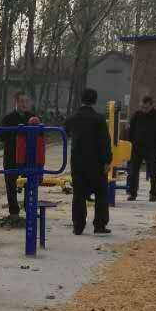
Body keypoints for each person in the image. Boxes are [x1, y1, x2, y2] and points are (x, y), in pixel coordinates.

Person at [64, 87, 113, 235]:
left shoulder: (73, 118)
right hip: (97, 162)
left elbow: (65, 132)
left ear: (81, 99)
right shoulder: (99, 119)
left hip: (78, 162)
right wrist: (107, 160)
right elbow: (105, 141)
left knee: (78, 195)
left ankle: (78, 226)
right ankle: (100, 225)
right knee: (101, 194)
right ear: (95, 100)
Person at [127, 95, 156, 201]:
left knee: (153, 172)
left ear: (151, 106)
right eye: (142, 107)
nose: (143, 109)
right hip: (136, 148)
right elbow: (130, 132)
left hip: (152, 148)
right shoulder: (136, 115)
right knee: (133, 172)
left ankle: (153, 194)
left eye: (146, 107)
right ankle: (132, 193)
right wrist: (129, 145)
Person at [0, 91, 32, 216]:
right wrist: (16, 136)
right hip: (11, 156)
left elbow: (40, 135)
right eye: (22, 101)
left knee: (30, 182)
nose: (24, 104)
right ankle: (14, 212)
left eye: (26, 101)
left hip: (28, 156)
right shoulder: (8, 118)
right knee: (10, 184)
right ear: (16, 102)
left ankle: (29, 208)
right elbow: (1, 136)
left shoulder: (32, 118)